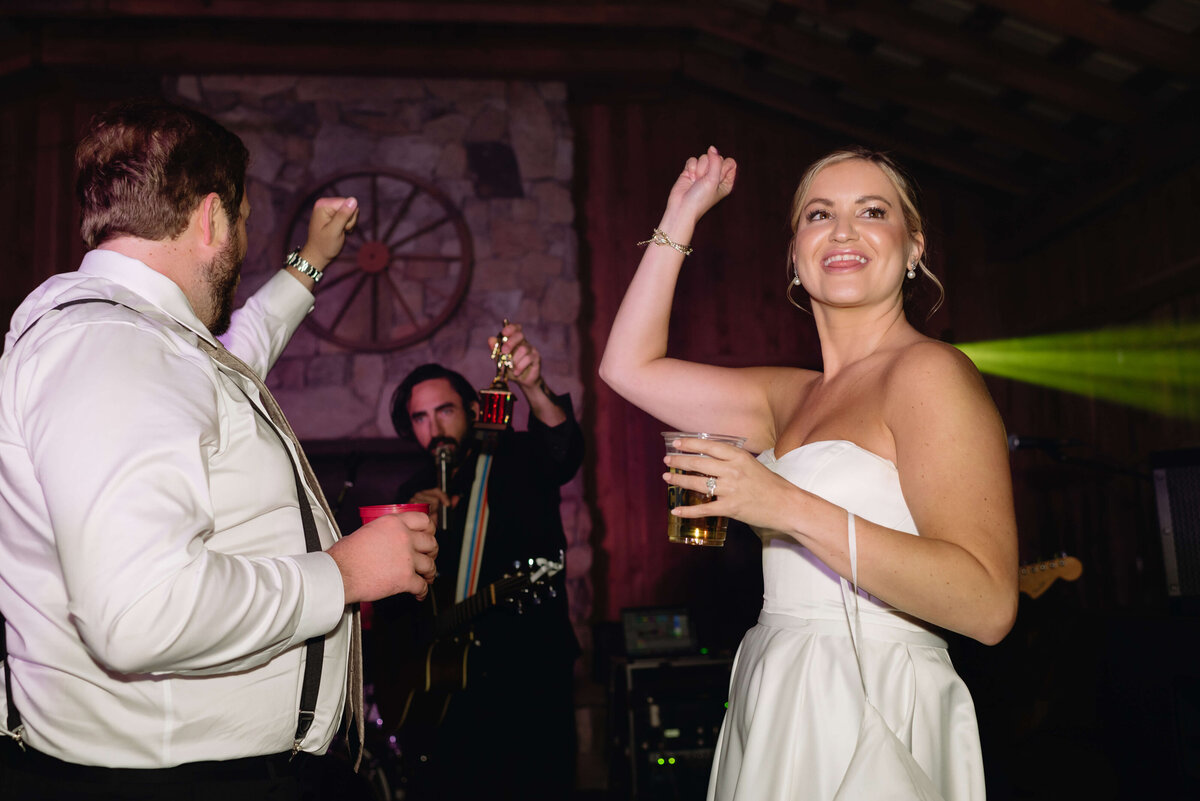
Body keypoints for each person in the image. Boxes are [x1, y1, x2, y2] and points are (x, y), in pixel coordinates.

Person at [0, 99, 438, 801]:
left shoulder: (135, 338)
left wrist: (310, 265)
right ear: (210, 218)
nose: (239, 244)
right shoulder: (112, 348)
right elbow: (139, 613)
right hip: (170, 783)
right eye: (240, 224)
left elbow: (229, 366)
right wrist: (344, 575)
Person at [599, 146, 1018, 800]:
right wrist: (682, 213)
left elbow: (989, 605)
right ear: (794, 254)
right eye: (820, 214)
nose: (843, 230)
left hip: (870, 692)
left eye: (872, 211)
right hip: (778, 680)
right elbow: (625, 367)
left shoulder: (931, 373)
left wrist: (782, 504)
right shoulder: (787, 396)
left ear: (913, 248)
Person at [373, 328, 583, 801]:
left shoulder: (514, 456)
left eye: (444, 410)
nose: (434, 427)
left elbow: (562, 450)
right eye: (420, 418)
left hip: (527, 675)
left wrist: (534, 387)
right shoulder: (412, 490)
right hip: (446, 694)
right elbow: (392, 610)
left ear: (471, 410)